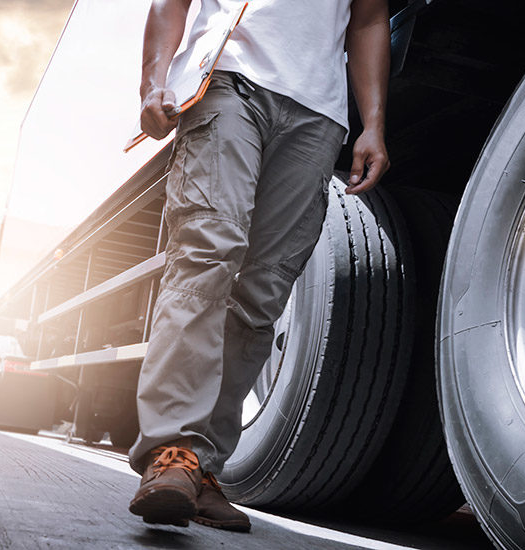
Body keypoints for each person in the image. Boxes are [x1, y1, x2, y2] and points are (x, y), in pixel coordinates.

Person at [128, 0, 391, 532]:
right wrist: (153, 82)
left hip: (318, 113)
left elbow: (367, 19)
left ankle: (201, 468)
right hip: (228, 82)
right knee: (208, 257)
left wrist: (374, 125)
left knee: (263, 292)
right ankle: (170, 452)